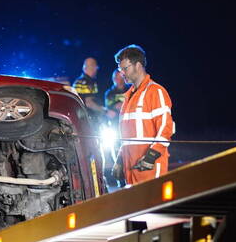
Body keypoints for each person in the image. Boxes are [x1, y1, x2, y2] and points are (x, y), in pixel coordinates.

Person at [113, 44, 174, 185]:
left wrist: (151, 157)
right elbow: (127, 136)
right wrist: (120, 159)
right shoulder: (128, 98)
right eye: (120, 69)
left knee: (155, 207)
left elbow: (166, 129)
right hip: (130, 170)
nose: (122, 73)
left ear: (138, 65)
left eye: (125, 68)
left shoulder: (156, 91)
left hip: (149, 169)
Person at [72, 57, 106, 123]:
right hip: (86, 119)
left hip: (90, 118)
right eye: (95, 66)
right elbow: (88, 103)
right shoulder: (82, 82)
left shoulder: (91, 82)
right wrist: (104, 110)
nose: (96, 69)